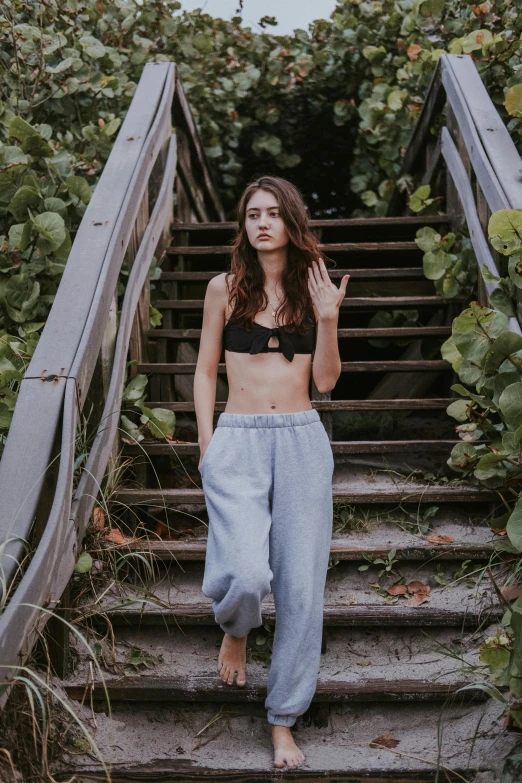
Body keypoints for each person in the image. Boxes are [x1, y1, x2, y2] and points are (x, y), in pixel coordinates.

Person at [193, 175, 349, 769]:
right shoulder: (223, 288)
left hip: (303, 442)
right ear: (245, 225)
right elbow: (206, 370)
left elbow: (327, 382)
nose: (262, 222)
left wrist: (330, 318)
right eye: (253, 214)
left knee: (303, 591)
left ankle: (284, 719)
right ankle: (237, 625)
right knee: (245, 569)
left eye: (273, 213)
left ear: (290, 222)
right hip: (238, 439)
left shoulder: (317, 290)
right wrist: (208, 441)